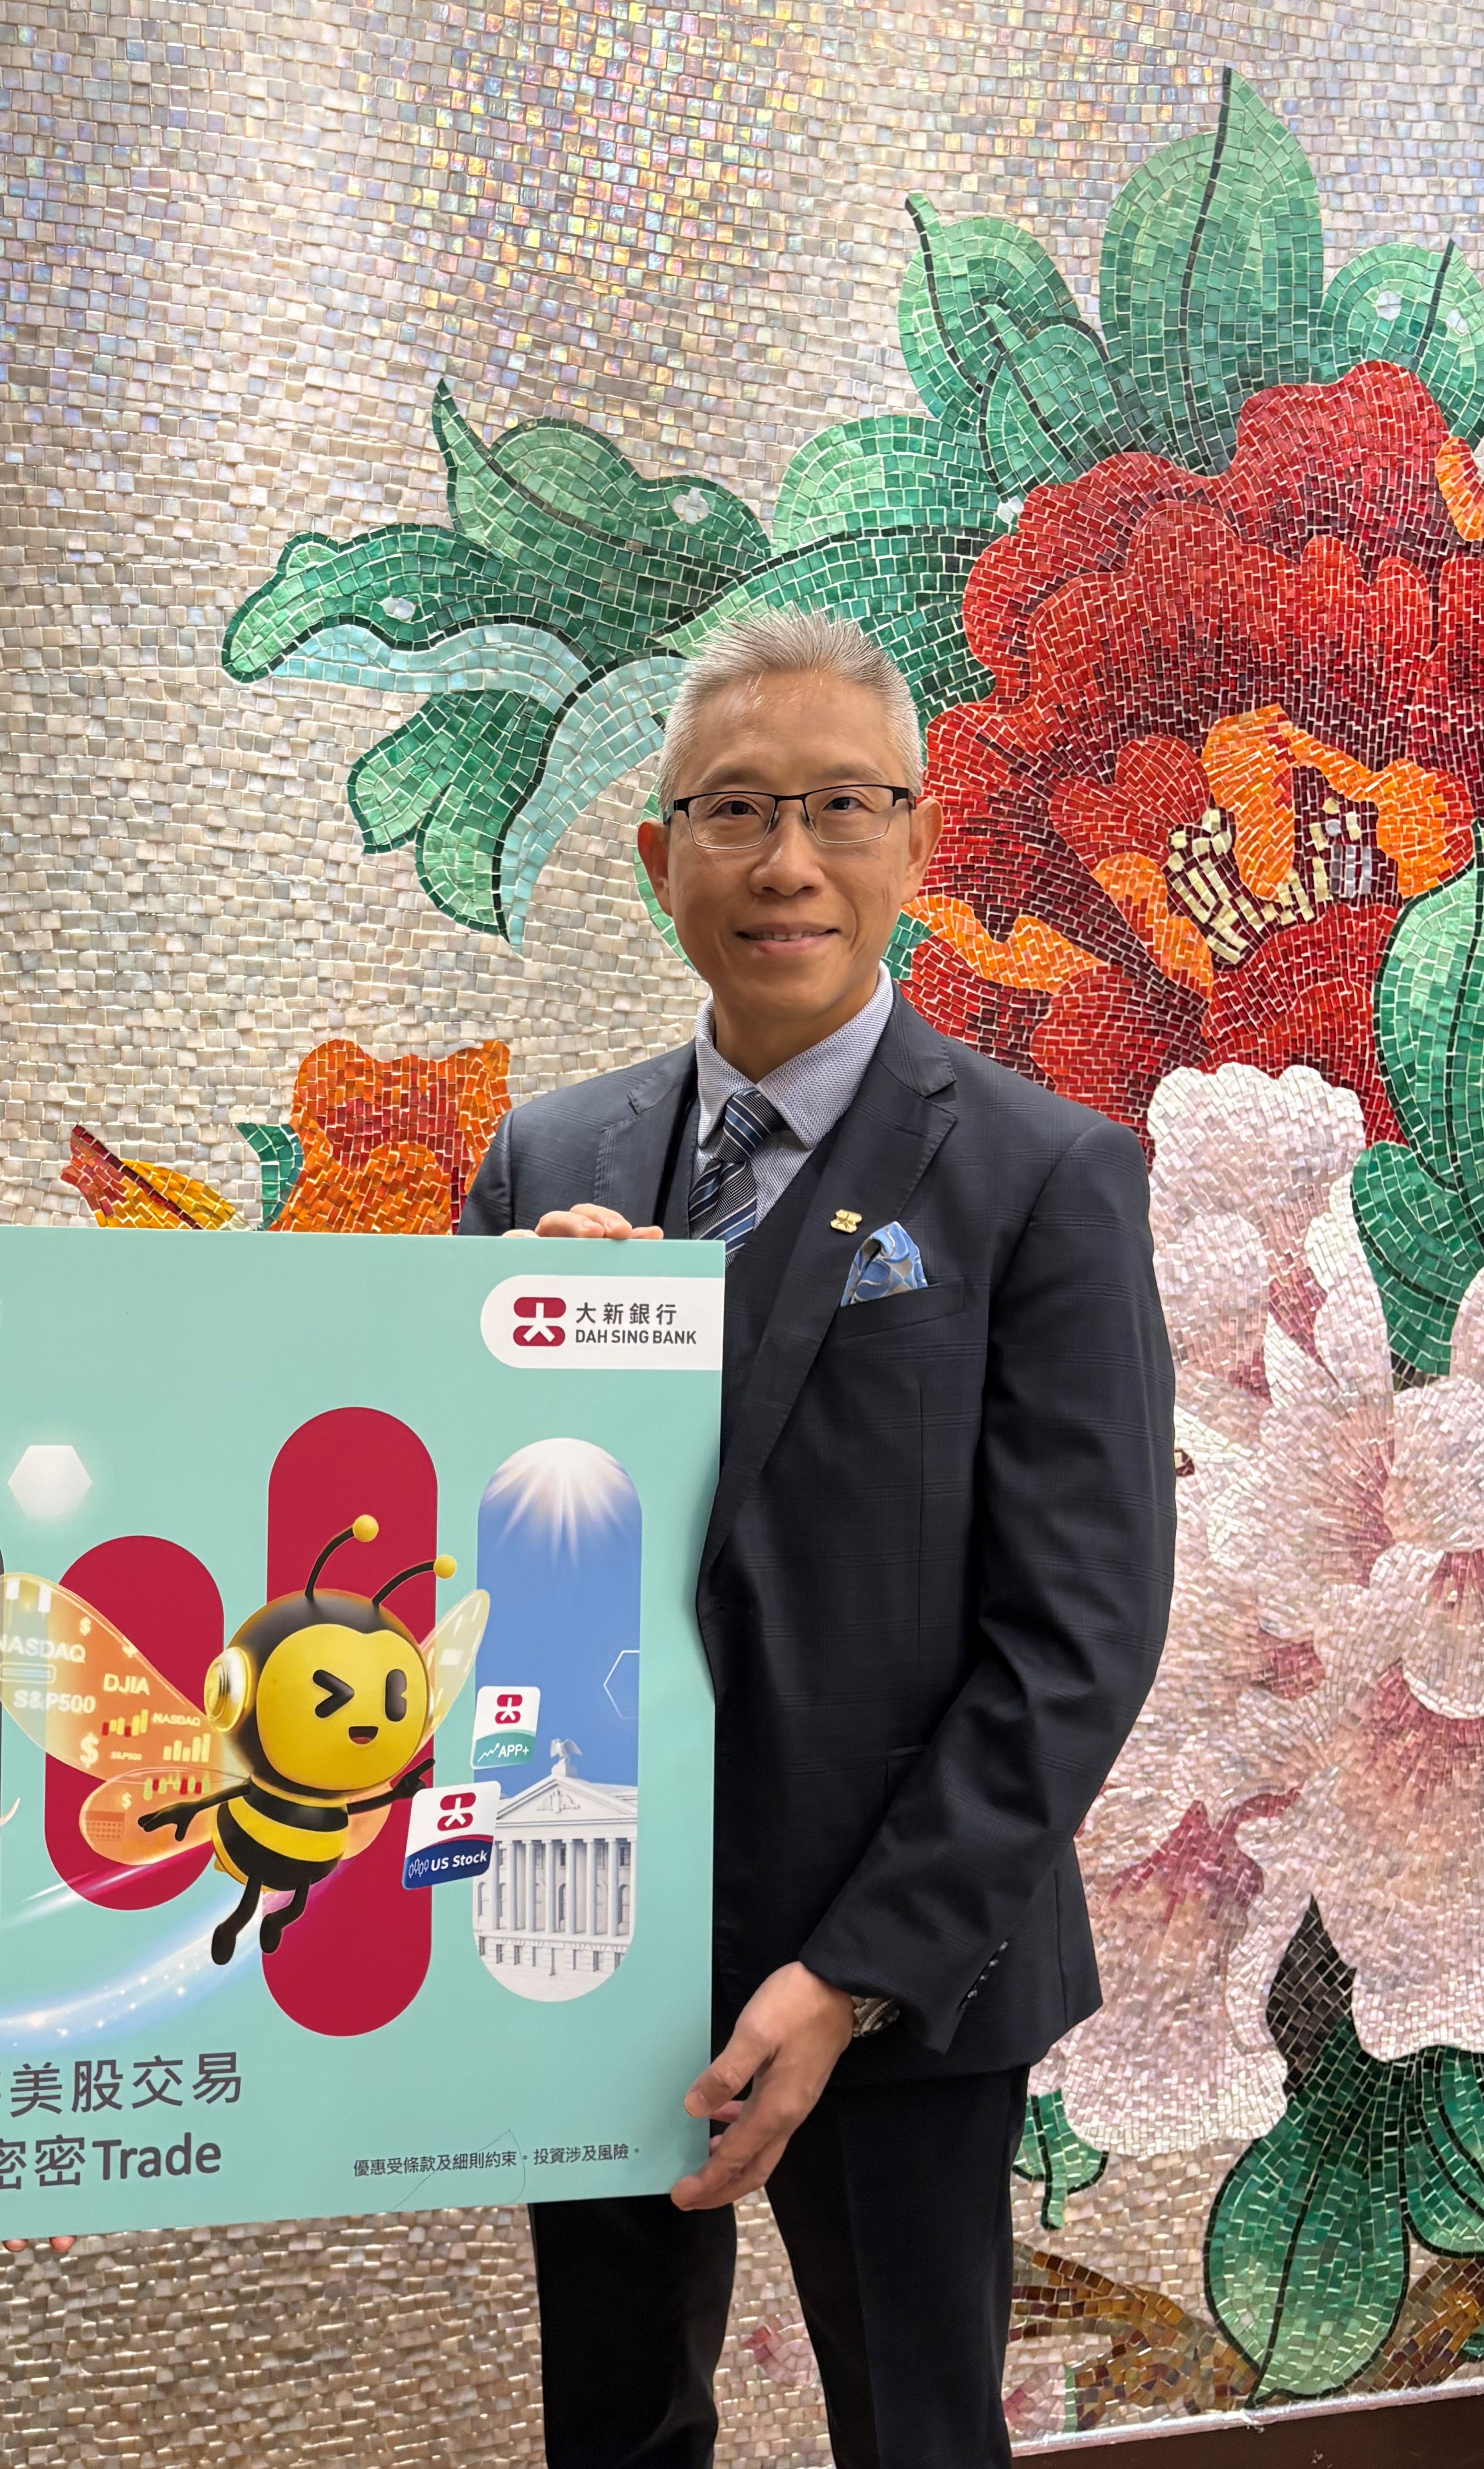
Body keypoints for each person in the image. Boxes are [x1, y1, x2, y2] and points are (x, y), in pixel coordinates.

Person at [461, 610, 1175, 2469]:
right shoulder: (547, 1167)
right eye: (737, 808)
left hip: (905, 1974)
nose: (788, 859)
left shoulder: (1044, 1176)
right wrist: (506, 1359)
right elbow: (459, 1556)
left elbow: (1078, 1634)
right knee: (615, 2424)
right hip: (590, 1929)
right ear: (660, 858)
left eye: (842, 805)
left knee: (916, 2431)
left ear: (917, 843)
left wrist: (849, 1969)